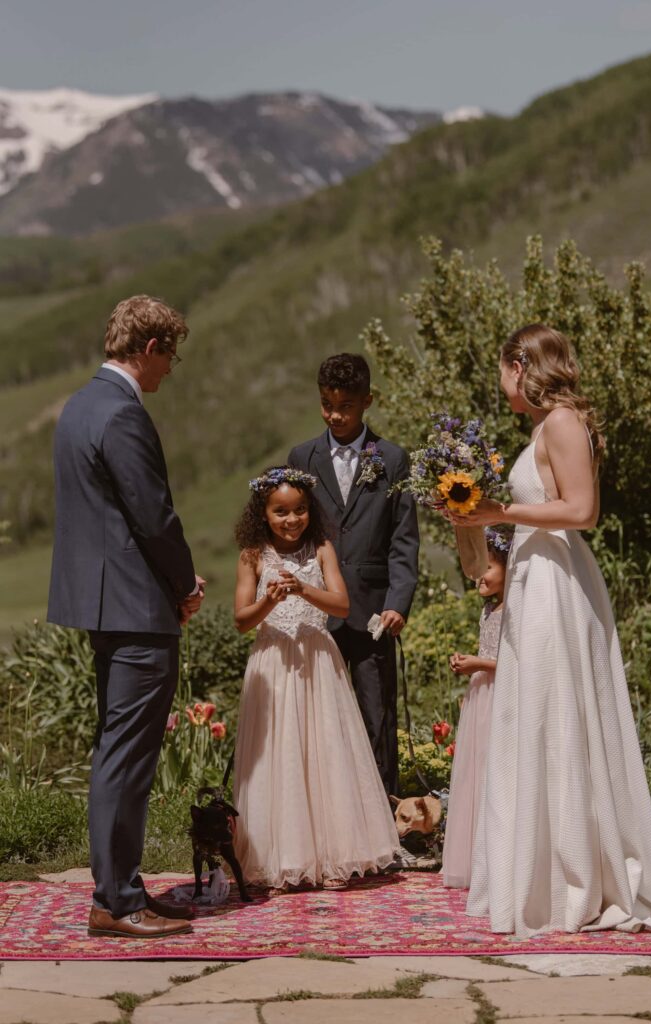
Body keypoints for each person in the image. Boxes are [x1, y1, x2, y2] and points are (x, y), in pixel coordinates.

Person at [447, 322, 651, 935]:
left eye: (503, 371)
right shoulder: (543, 425)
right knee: (533, 719)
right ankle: (542, 873)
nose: (500, 385)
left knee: (557, 716)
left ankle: (579, 878)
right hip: (534, 577)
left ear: (520, 367)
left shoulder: (561, 421)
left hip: (555, 583)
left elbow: (582, 511)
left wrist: (499, 510)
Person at [47, 295, 205, 940]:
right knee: (127, 754)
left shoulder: (79, 406)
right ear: (148, 349)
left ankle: (123, 887)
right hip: (138, 607)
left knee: (118, 746)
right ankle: (116, 900)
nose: (170, 369)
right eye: (169, 355)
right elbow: (154, 516)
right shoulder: (123, 415)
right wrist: (184, 584)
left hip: (101, 603)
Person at [232, 467, 400, 894]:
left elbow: (342, 606)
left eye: (301, 510)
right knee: (280, 756)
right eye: (281, 512)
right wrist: (268, 600)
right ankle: (283, 859)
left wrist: (303, 590)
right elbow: (240, 621)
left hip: (317, 659)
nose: (292, 520)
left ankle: (336, 856)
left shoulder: (321, 547)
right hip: (273, 663)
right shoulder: (253, 555)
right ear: (263, 513)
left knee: (325, 753)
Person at [288, 354, 419, 795]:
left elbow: (404, 541)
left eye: (345, 405)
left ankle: (385, 813)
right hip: (316, 609)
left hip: (372, 613)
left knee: (376, 716)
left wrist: (396, 604)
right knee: (317, 717)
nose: (334, 414)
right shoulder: (301, 456)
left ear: (367, 401)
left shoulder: (393, 459)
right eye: (326, 404)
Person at [442, 527, 510, 890]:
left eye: (487, 566)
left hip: (502, 695)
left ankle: (501, 855)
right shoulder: (489, 608)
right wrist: (469, 663)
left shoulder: (516, 609)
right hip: (481, 697)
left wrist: (479, 664)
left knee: (496, 770)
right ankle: (477, 856)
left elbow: (518, 661)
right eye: (475, 566)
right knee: (476, 771)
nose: (479, 574)